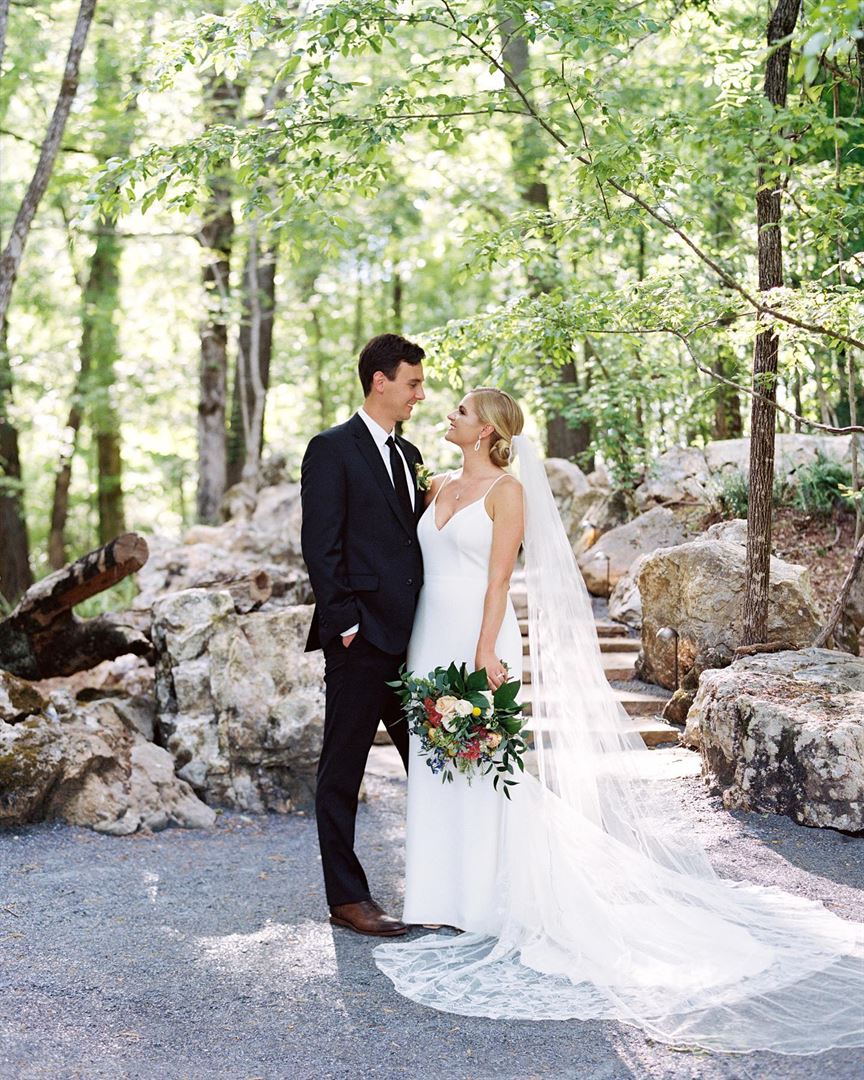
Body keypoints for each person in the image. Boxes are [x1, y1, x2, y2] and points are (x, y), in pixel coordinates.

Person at [374, 386, 864, 1056]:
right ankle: (436, 898)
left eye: (462, 410)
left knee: (485, 766)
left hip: (478, 636)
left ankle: (484, 902)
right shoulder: (433, 486)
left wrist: (486, 649)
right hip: (429, 637)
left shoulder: (507, 493)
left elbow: (498, 581)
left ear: (486, 428)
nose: (449, 415)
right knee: (437, 764)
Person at [301, 333, 426, 938]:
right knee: (342, 771)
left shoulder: (412, 454)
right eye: (413, 383)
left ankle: (444, 884)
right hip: (359, 640)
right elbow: (320, 545)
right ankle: (347, 899)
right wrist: (346, 624)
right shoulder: (331, 449)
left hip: (414, 641)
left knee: (431, 764)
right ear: (381, 381)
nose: (419, 395)